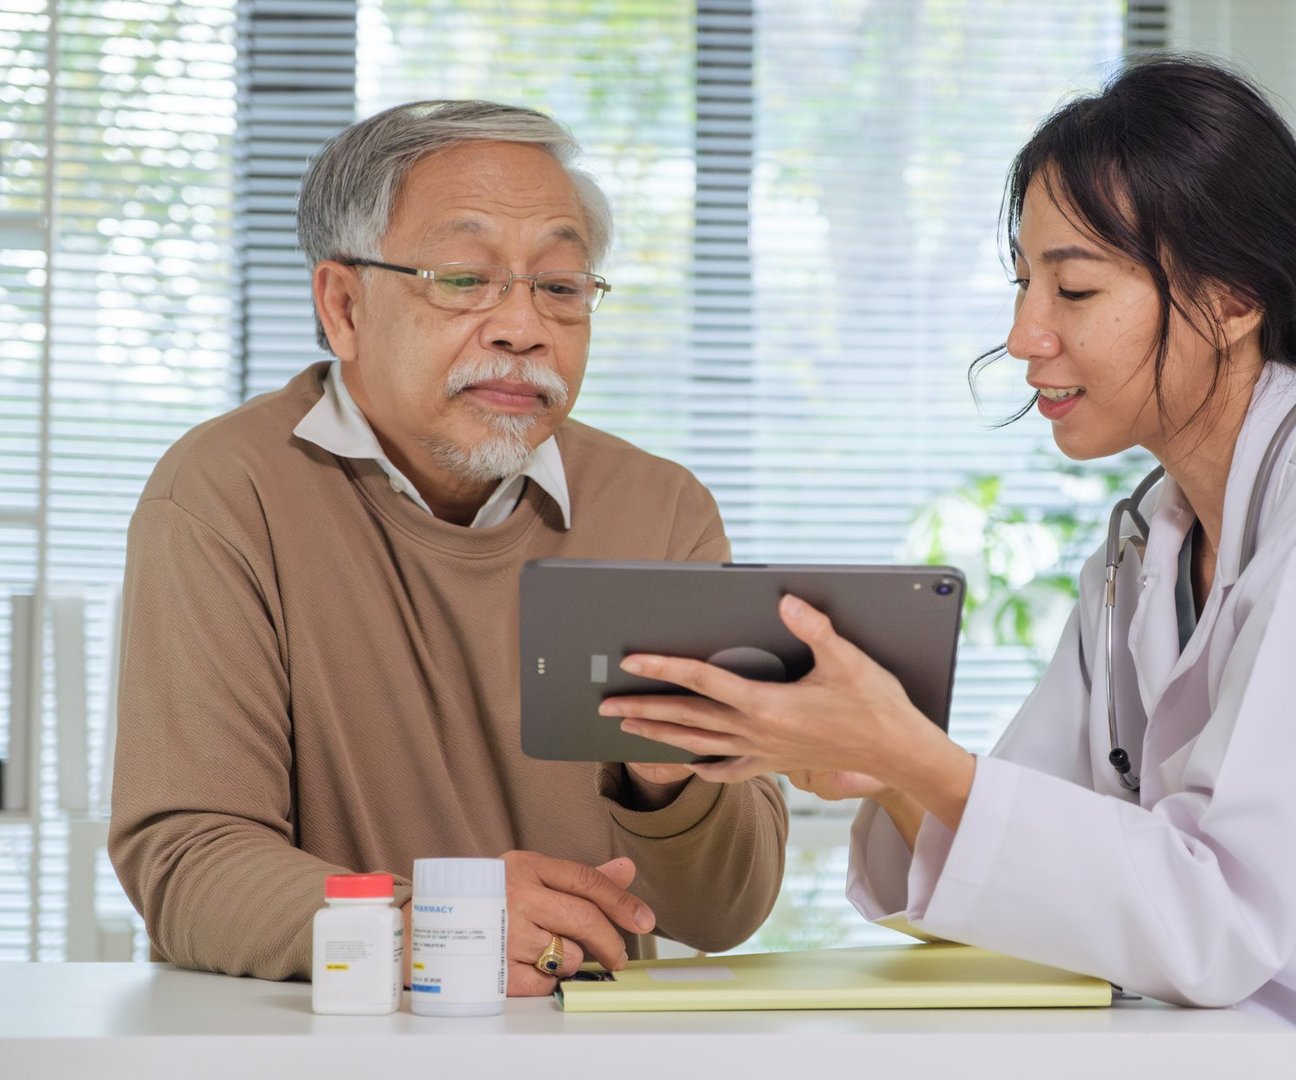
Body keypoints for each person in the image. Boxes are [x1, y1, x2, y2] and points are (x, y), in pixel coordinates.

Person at [601, 58, 1296, 1075]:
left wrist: (912, 759)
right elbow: (1051, 845)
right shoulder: (1151, 542)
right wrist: (877, 763)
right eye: (1024, 283)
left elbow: (1215, 919)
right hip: (1274, 1042)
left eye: (1073, 291)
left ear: (1231, 302)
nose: (1025, 335)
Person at [108, 100, 787, 993]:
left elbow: (724, 915)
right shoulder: (226, 492)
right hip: (322, 1044)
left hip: (587, 1048)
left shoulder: (658, 509)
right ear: (343, 306)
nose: (522, 326)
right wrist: (433, 927)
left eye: (560, 284)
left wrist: (667, 785)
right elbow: (188, 863)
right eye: (465, 279)